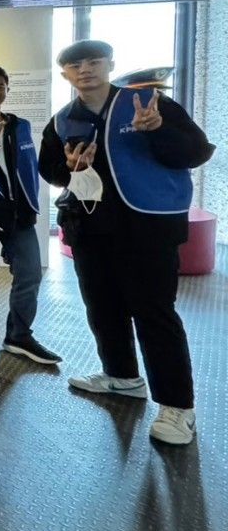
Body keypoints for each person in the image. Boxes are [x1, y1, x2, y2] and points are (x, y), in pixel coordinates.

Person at [40, 40, 214, 446]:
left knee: (154, 312)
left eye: (93, 62)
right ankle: (121, 376)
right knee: (103, 307)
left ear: (110, 64)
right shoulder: (63, 119)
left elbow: (195, 152)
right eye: (75, 65)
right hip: (90, 227)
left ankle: (178, 406)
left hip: (148, 227)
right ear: (65, 74)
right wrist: (70, 168)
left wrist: (158, 130)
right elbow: (51, 170)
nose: (85, 70)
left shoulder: (151, 104)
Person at [0, 66, 61, 365]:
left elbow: (29, 170)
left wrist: (30, 209)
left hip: (17, 217)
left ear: (8, 89)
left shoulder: (20, 126)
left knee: (30, 273)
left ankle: (19, 335)